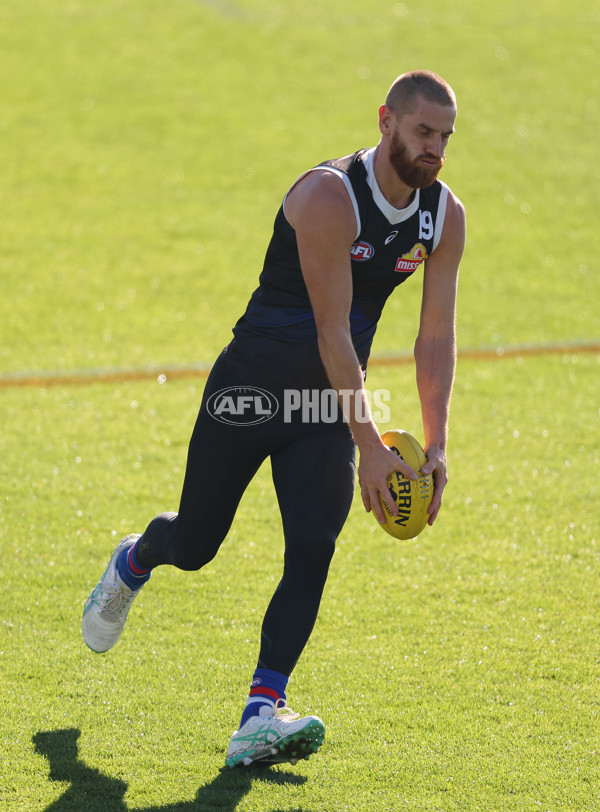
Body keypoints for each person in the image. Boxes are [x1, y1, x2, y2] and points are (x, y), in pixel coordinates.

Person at [82, 70, 466, 768]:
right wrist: (372, 445)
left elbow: (434, 332)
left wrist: (435, 444)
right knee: (196, 543)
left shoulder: (445, 216)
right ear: (386, 121)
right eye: (423, 131)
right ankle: (133, 559)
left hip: (325, 407)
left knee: (314, 545)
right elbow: (330, 330)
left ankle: (260, 711)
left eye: (445, 135)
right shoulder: (327, 196)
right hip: (250, 393)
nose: (436, 148)